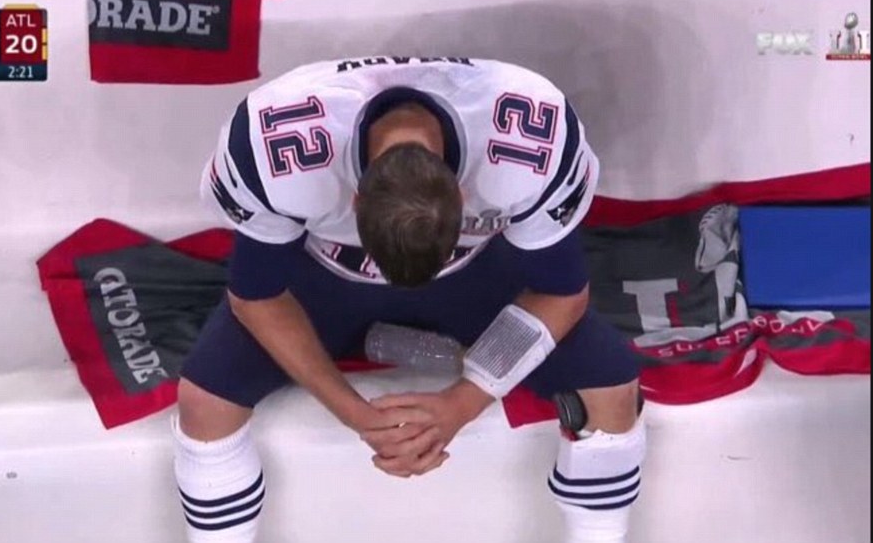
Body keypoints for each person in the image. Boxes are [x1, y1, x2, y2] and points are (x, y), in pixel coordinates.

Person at [175, 56, 645, 543]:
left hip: (472, 274)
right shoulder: (272, 138)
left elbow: (562, 294)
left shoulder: (530, 130)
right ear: (355, 200)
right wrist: (354, 413)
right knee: (204, 404)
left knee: (611, 393)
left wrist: (463, 403)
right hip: (326, 279)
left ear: (463, 197)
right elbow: (255, 297)